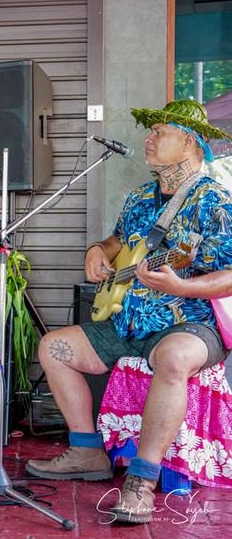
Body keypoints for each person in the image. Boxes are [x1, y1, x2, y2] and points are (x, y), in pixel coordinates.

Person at [26, 100, 232, 524]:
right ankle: (86, 450)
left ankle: (142, 480)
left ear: (191, 142)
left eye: (161, 133)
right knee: (54, 347)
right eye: (150, 131)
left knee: (173, 358)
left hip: (187, 323)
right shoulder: (141, 196)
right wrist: (98, 249)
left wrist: (184, 285)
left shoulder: (215, 202)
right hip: (127, 317)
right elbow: (120, 242)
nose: (149, 139)